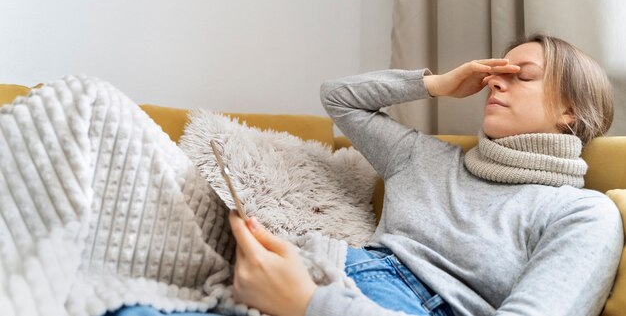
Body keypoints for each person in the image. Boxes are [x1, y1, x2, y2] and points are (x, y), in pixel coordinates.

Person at [226, 33, 623, 316]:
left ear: (569, 109)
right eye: (495, 73)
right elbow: (338, 98)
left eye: (521, 76)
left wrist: (310, 305)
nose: (493, 81)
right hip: (320, 267)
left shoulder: (583, 213)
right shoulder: (421, 158)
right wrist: (436, 84)